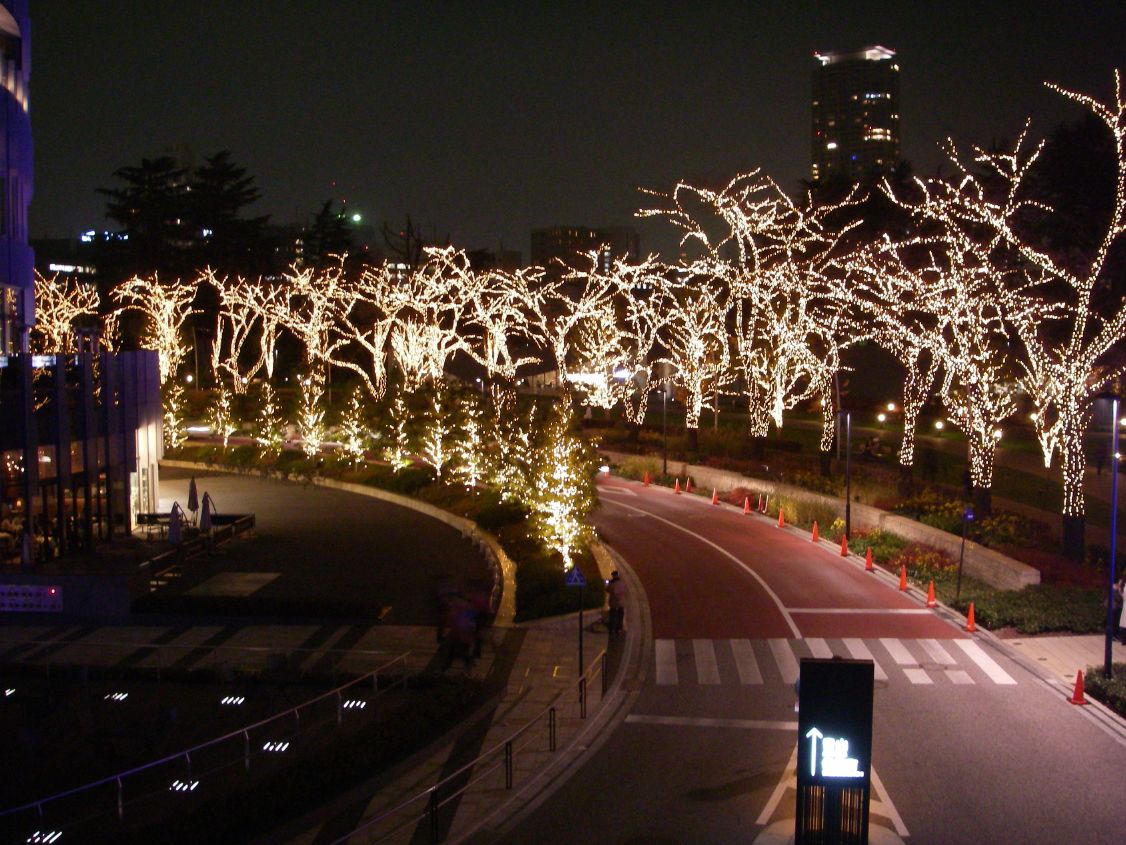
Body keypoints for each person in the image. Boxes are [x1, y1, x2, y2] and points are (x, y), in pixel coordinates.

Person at [607, 570, 626, 635]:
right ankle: (619, 629)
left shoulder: (612, 583)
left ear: (613, 575)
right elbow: (624, 590)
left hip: (613, 603)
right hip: (621, 603)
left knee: (613, 616)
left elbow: (607, 589)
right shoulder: (622, 583)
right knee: (620, 616)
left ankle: (612, 629)